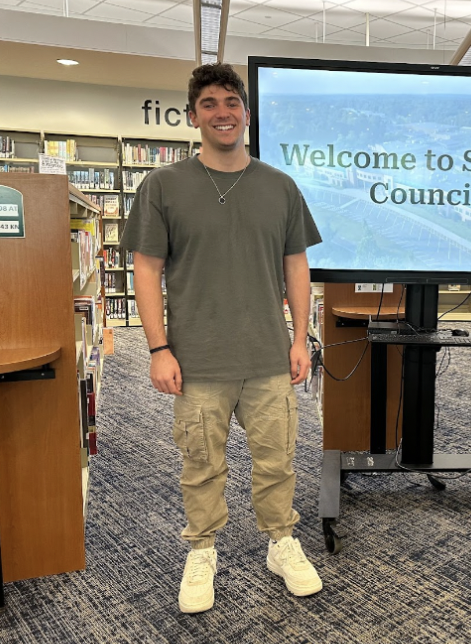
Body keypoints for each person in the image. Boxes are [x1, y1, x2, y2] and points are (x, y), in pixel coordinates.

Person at [121, 63, 324, 614]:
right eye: (208, 103)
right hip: (197, 359)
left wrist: (301, 338)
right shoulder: (162, 186)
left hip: (268, 356)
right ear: (193, 117)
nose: (222, 112)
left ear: (247, 114)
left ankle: (281, 542)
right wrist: (158, 348)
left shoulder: (280, 186)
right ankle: (202, 550)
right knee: (201, 466)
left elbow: (297, 266)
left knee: (277, 461)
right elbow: (146, 269)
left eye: (231, 102)